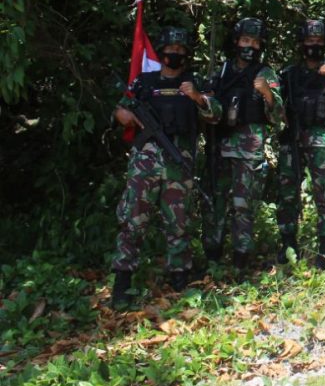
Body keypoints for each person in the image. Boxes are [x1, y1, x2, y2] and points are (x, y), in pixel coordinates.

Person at [111, 27, 220, 308]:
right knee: (133, 219)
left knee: (179, 222)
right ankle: (122, 280)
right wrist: (122, 114)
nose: (175, 53)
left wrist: (198, 97)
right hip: (145, 162)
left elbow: (216, 114)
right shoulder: (144, 82)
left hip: (178, 162)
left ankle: (179, 276)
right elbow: (121, 109)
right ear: (161, 51)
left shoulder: (194, 82)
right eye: (171, 48)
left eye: (181, 50)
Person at [202, 17, 284, 269]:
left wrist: (267, 93)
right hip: (220, 146)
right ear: (236, 41)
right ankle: (212, 257)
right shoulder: (222, 71)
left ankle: (241, 259)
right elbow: (209, 110)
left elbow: (278, 116)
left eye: (255, 42)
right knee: (213, 202)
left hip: (249, 150)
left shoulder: (265, 73)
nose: (250, 46)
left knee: (243, 206)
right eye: (246, 40)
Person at [277, 19, 325, 268]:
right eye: (310, 40)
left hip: (322, 138)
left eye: (319, 41)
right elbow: (275, 110)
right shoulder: (289, 74)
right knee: (287, 193)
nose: (314, 45)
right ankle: (288, 244)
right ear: (301, 43)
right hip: (293, 138)